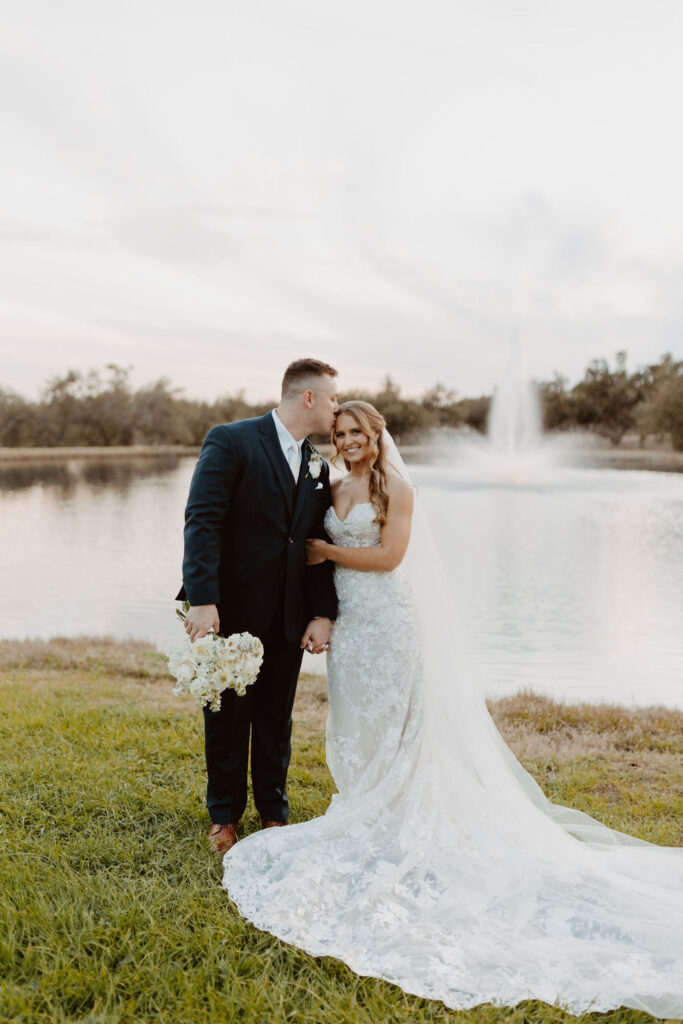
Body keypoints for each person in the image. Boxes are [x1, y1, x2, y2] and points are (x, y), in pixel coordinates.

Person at [221, 400, 683, 1017]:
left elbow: (389, 558)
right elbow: (306, 553)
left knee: (399, 724)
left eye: (357, 431)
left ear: (376, 434)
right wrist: (322, 610)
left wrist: (325, 553)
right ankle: (364, 804)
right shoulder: (328, 483)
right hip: (351, 630)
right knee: (356, 722)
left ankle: (399, 815)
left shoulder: (399, 489)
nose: (348, 439)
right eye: (340, 432)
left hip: (390, 623)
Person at [176, 358, 339, 853]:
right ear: (308, 397)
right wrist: (203, 600)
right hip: (230, 611)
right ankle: (224, 816)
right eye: (332, 398)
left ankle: (274, 812)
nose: (337, 407)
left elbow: (316, 543)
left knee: (275, 717)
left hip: (288, 616)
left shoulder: (318, 464)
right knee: (225, 715)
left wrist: (322, 612)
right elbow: (201, 521)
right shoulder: (232, 440)